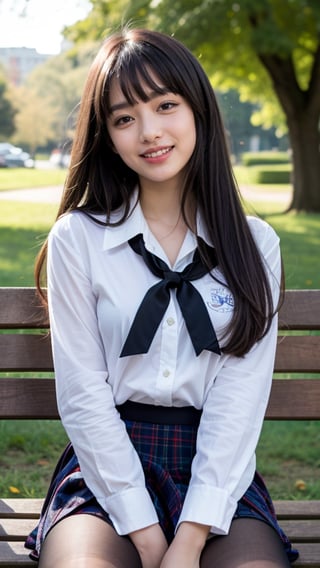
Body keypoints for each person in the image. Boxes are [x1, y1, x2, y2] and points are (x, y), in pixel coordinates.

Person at [25, 27, 298, 568]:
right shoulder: (79, 240)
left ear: (197, 108)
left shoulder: (253, 243)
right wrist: (148, 537)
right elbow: (83, 397)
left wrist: (190, 538)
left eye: (165, 105)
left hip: (217, 469)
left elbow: (238, 402)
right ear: (107, 135)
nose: (149, 131)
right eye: (125, 118)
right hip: (107, 464)